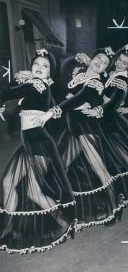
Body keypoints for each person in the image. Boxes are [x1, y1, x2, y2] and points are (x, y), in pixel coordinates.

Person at [31, 46, 128, 230]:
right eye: (98, 58)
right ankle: (63, 210)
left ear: (106, 69)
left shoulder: (95, 82)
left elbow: (79, 98)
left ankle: (114, 208)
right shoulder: (80, 73)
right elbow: (62, 78)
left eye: (105, 63)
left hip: (86, 129)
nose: (100, 63)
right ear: (92, 58)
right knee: (61, 168)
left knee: (100, 169)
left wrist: (57, 109)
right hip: (73, 129)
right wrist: (74, 58)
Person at [0, 49, 77, 254]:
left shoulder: (38, 84)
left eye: (45, 66)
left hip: (40, 144)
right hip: (30, 144)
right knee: (12, 183)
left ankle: (63, 223)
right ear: (30, 66)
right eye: (36, 64)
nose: (39, 68)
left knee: (32, 190)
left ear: (49, 73)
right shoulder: (37, 87)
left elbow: (7, 93)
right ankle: (9, 227)